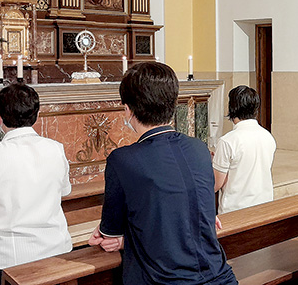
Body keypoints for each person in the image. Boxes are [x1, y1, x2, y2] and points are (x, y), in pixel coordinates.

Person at [88, 62, 237, 285]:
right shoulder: (199, 149)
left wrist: (112, 235)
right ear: (173, 103)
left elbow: (110, 231)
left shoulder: (122, 160)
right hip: (220, 277)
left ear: (128, 109)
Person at [0, 83, 72, 285]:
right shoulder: (56, 149)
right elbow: (64, 191)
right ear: (36, 115)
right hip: (55, 252)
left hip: (6, 261)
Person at [212, 85, 276, 214]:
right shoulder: (267, 136)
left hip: (235, 210)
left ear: (232, 107)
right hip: (264, 206)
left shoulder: (228, 141)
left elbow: (215, 184)